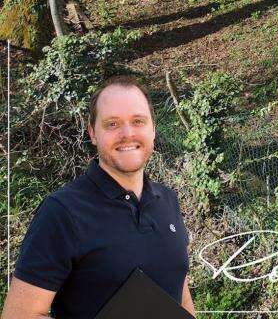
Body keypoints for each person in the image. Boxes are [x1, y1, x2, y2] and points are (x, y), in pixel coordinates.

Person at [2, 75, 195, 318]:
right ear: (93, 133)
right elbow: (20, 315)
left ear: (153, 129)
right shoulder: (63, 211)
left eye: (138, 121)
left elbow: (180, 286)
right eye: (112, 124)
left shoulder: (168, 200)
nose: (127, 133)